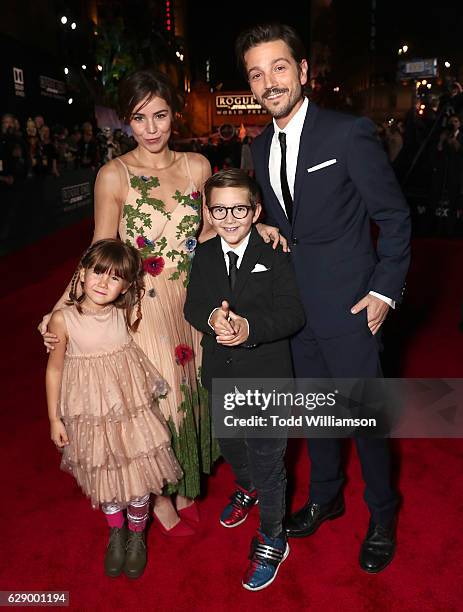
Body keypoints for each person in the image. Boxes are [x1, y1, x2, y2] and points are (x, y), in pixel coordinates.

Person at [38, 68, 285, 535]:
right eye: (139, 118)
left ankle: (190, 483)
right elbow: (99, 247)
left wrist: (257, 229)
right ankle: (162, 495)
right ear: (127, 122)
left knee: (198, 393)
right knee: (162, 401)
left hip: (196, 300)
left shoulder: (197, 167)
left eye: (160, 116)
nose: (151, 129)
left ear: (175, 114)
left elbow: (213, 232)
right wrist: (61, 306)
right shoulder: (114, 174)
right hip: (143, 306)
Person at [235, 23, 411, 573]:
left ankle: (382, 513)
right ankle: (326, 497)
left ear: (304, 71)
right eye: (256, 74)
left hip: (352, 308)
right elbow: (277, 220)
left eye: (279, 68)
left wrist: (385, 288)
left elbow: (394, 216)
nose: (269, 83)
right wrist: (263, 230)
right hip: (296, 313)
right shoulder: (257, 148)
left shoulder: (347, 133)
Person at [184, 169, 305, 590]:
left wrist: (249, 328)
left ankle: (274, 535)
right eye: (220, 209)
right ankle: (246, 485)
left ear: (255, 211)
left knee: (269, 461)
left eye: (239, 208)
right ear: (209, 211)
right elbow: (193, 305)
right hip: (220, 374)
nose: (230, 218)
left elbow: (293, 314)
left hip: (266, 376)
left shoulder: (276, 253)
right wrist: (212, 316)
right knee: (233, 445)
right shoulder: (202, 253)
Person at [46, 239, 182, 578]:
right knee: (104, 476)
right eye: (97, 272)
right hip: (89, 415)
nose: (104, 282)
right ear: (82, 272)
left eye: (115, 277)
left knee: (138, 477)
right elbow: (54, 370)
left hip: (130, 412)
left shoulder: (124, 311)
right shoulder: (63, 320)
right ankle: (116, 531)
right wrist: (53, 418)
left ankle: (137, 535)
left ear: (127, 286)